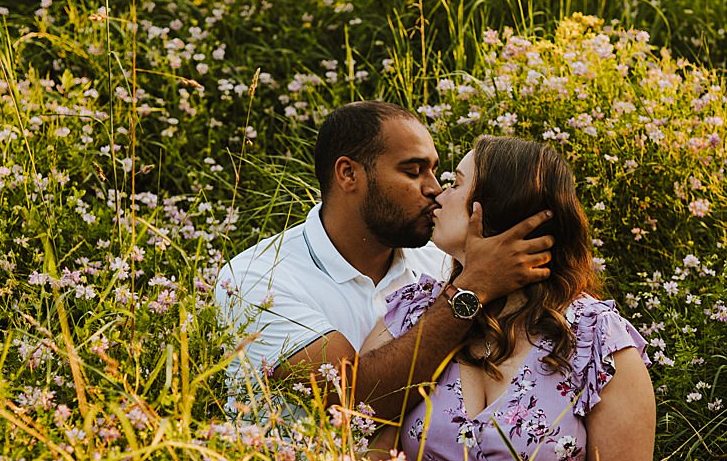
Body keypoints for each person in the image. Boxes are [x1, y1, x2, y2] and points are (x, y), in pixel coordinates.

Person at [363, 135, 709, 461]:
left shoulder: (596, 338)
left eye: (456, 184)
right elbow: (368, 440)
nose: (438, 195)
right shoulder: (414, 314)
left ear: (494, 210)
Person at [212, 102, 553, 418]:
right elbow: (353, 401)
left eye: (435, 171)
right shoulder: (257, 279)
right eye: (413, 171)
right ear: (348, 175)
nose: (434, 188)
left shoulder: (438, 263)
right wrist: (470, 290)